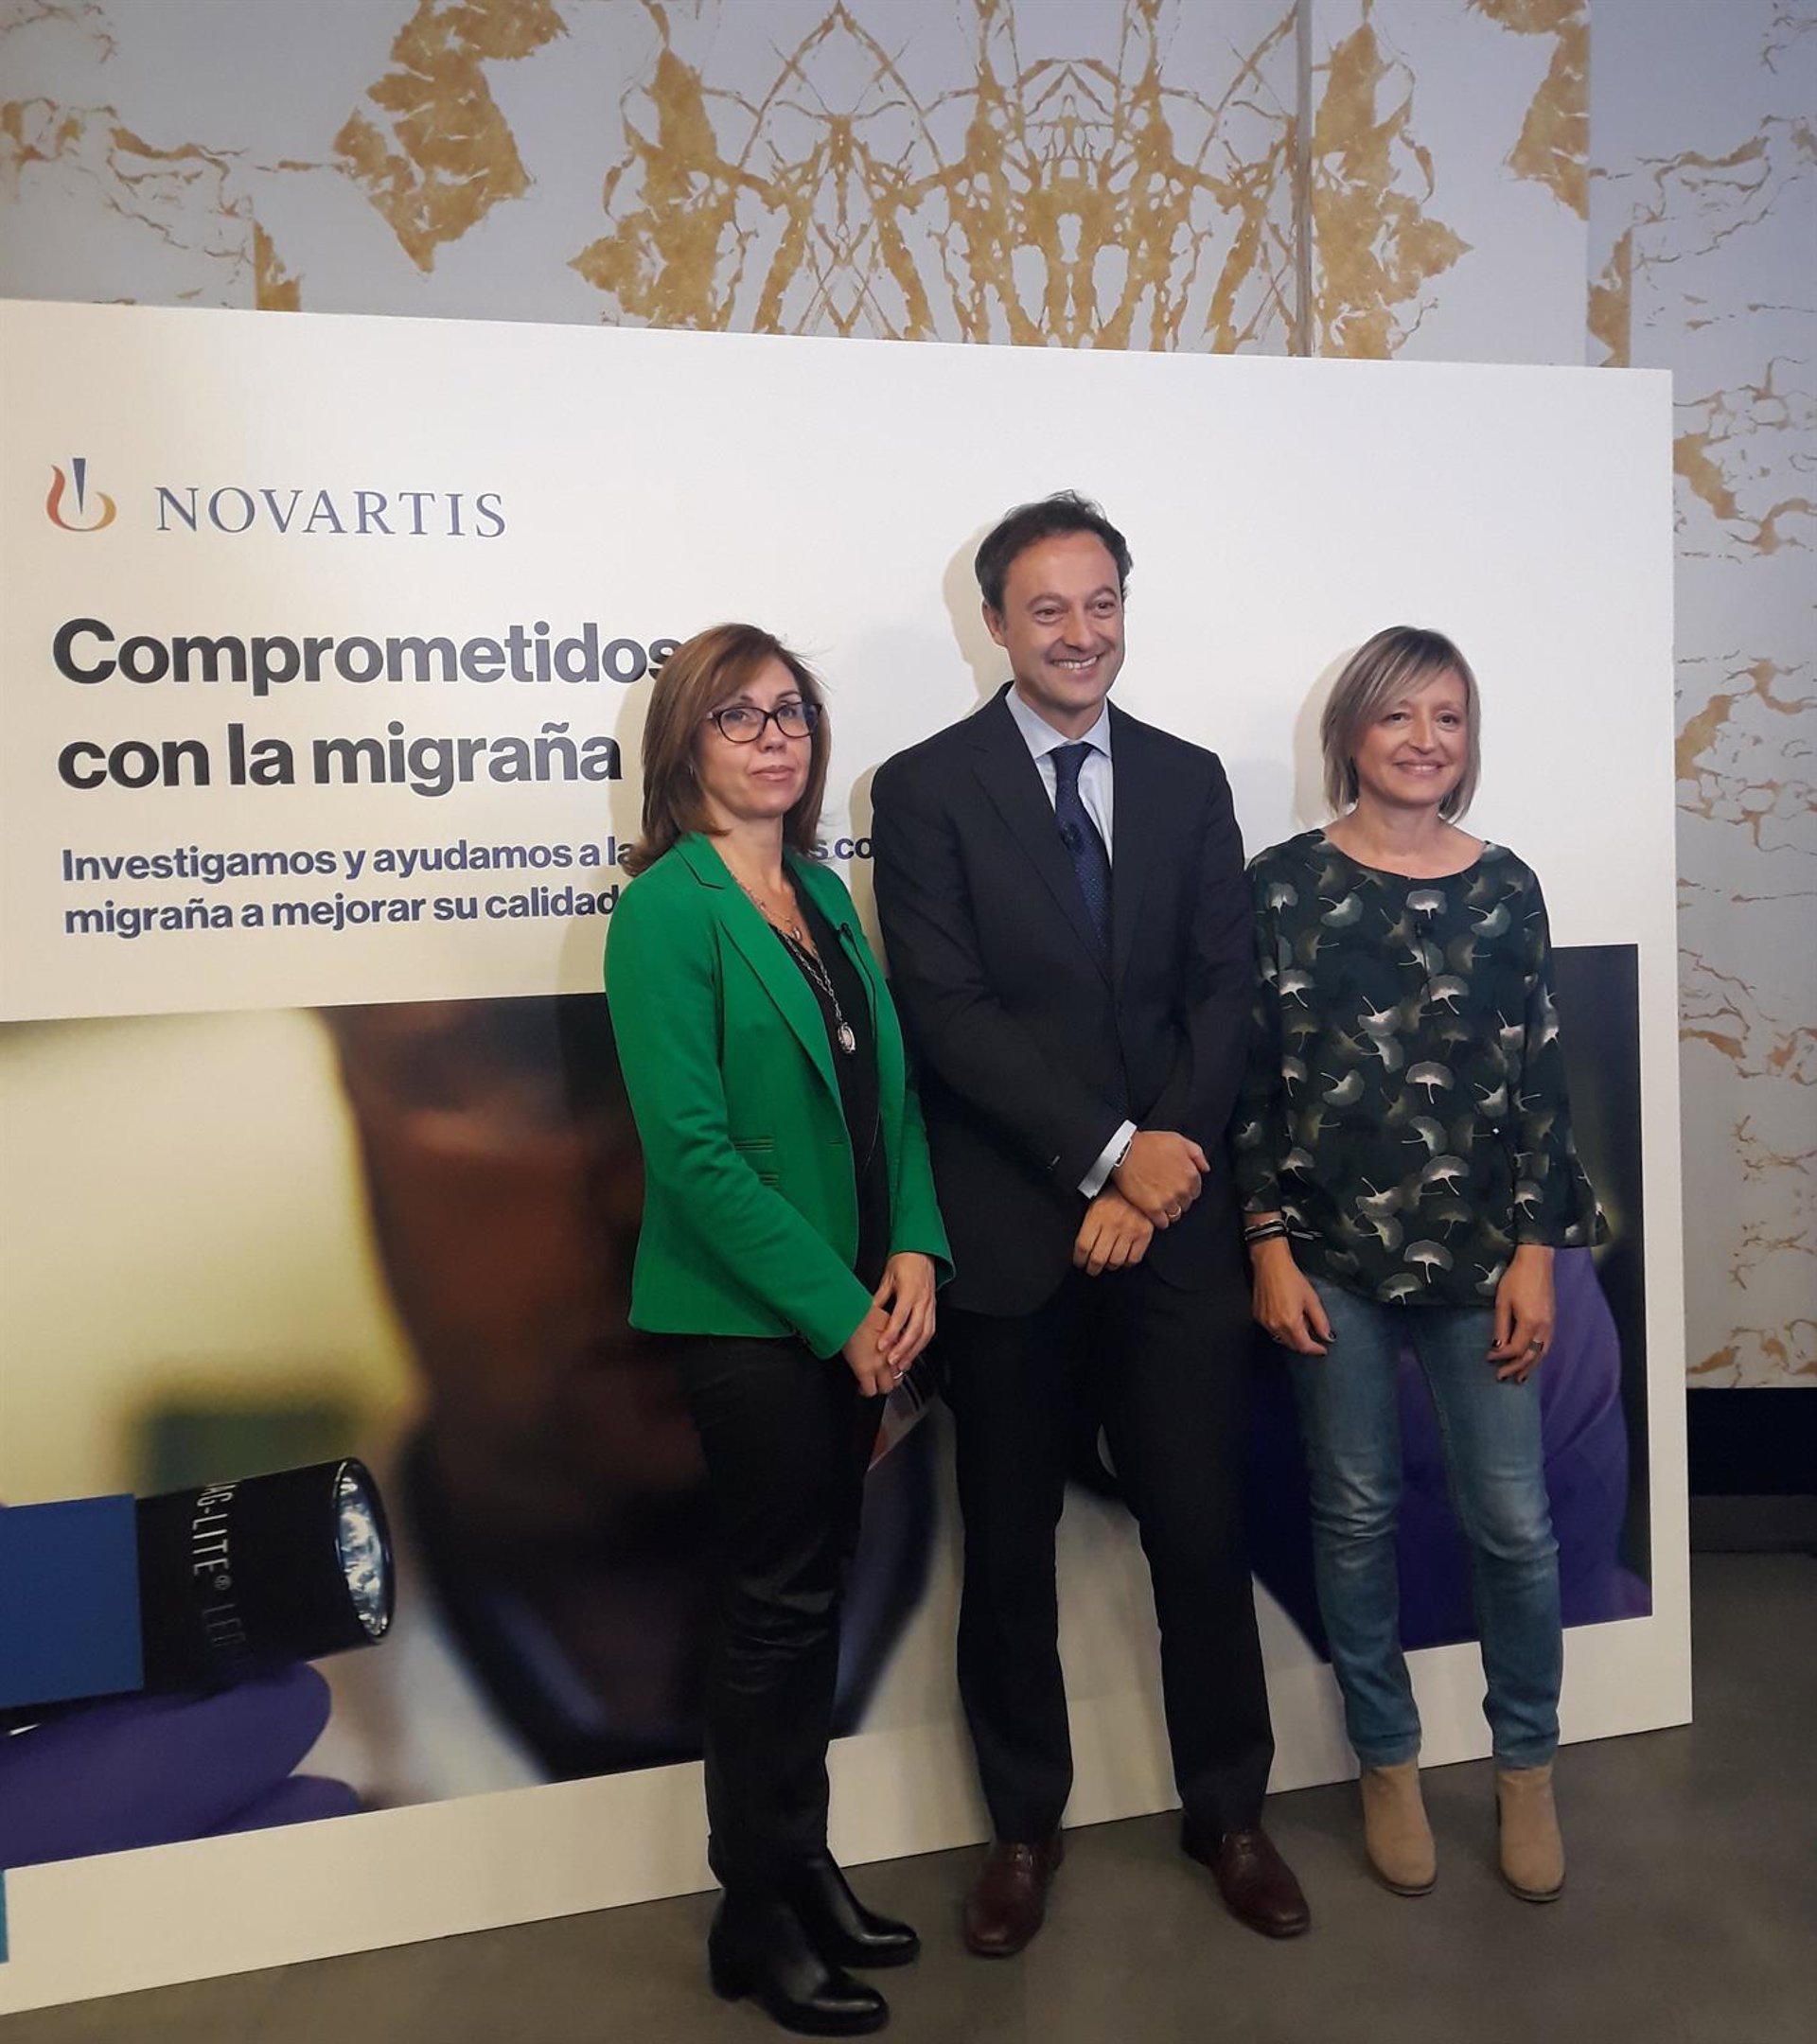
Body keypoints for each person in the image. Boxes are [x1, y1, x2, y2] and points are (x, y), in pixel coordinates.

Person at [872, 492, 1308, 1955]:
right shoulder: (922, 789)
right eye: (1048, 608)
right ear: (994, 624)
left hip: (1174, 1237)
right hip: (1015, 1239)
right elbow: (948, 1012)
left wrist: (1161, 1173)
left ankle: (1229, 1814)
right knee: (1007, 1554)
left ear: (1126, 609)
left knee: (1200, 1530)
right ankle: (1020, 1831)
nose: (1080, 633)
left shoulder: (1187, 780)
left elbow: (1224, 992)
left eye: (1101, 603)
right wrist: (1112, 1158)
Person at [605, 623, 951, 2035]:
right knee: (773, 1614)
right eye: (739, 716)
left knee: (814, 1603)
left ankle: (802, 1869)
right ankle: (752, 1915)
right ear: (684, 744)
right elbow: (692, 1156)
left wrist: (914, 1245)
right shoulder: (665, 911)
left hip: (861, 1302)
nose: (774, 737)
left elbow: (890, 1097)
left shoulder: (818, 892)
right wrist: (838, 1309)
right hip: (754, 1323)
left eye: (791, 712)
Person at [1235, 624, 1605, 1907]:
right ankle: (1385, 1764)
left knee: (1514, 1523)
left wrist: (1538, 1255)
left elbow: (1542, 1084)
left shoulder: (1508, 888)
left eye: (1447, 717)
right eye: (1398, 715)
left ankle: (1525, 1769)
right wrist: (1267, 1244)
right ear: (1349, 734)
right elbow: (1252, 1084)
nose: (1424, 740)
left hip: (1484, 1260)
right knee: (1355, 1515)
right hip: (1327, 1257)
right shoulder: (1281, 886)